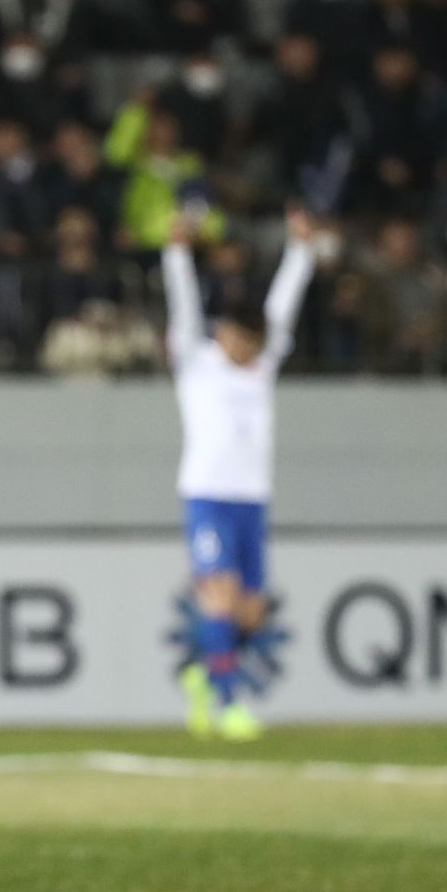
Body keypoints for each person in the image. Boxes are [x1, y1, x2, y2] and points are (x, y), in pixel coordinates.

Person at [165, 206, 316, 741]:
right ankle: (229, 705)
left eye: (256, 343)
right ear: (222, 333)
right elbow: (182, 309)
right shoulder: (195, 361)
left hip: (252, 498)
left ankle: (203, 676)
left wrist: (300, 251)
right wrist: (177, 252)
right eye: (241, 339)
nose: (249, 350)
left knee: (250, 614)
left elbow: (284, 309)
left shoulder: (262, 364)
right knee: (220, 597)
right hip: (207, 495)